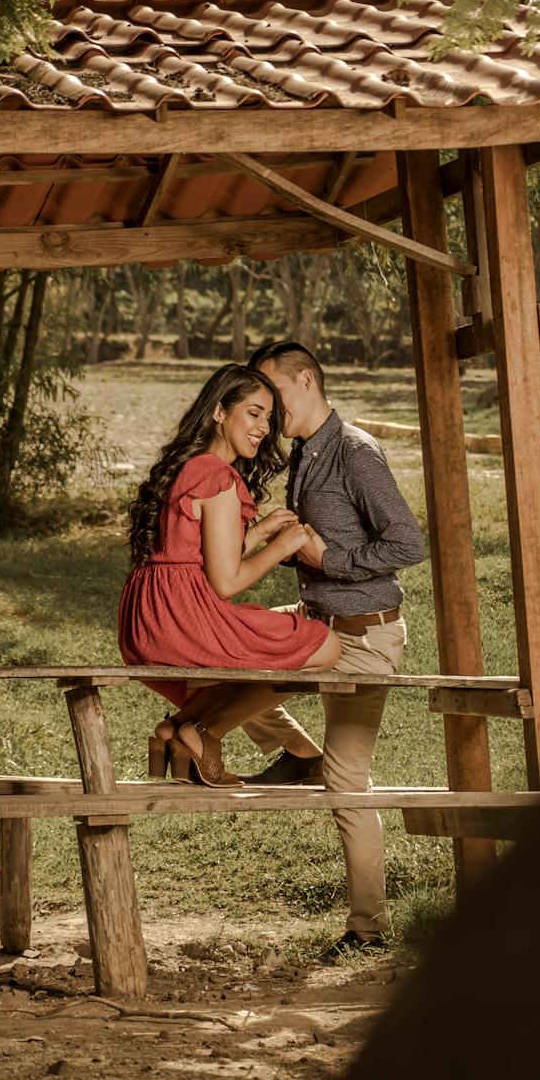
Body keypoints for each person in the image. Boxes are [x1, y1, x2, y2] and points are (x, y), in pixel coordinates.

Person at [240, 340, 428, 958]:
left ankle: (366, 929)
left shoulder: (354, 453)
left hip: (365, 637)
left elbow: (407, 543)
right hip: (317, 623)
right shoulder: (304, 454)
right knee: (229, 647)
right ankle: (297, 750)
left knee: (348, 783)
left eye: (272, 392)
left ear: (305, 379)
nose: (265, 406)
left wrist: (331, 560)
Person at [117, 364, 343, 788]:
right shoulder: (218, 476)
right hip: (181, 615)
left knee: (263, 656)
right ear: (220, 412)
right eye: (254, 413)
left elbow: (191, 551)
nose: (263, 427)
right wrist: (282, 547)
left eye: (269, 418)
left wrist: (258, 531)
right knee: (324, 647)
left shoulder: (188, 466)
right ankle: (205, 732)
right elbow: (225, 582)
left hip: (150, 614)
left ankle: (175, 730)